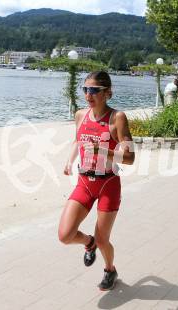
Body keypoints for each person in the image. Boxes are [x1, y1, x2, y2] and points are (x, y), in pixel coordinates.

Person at [58, 71, 135, 291]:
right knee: (65, 235)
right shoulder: (80, 115)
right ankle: (88, 243)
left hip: (108, 184)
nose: (88, 95)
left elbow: (130, 158)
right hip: (84, 182)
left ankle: (110, 269)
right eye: (85, 89)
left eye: (94, 90)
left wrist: (102, 150)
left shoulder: (117, 118)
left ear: (107, 93)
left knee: (104, 240)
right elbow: (77, 140)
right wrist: (69, 162)